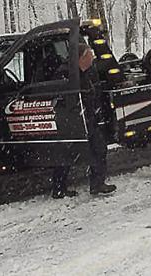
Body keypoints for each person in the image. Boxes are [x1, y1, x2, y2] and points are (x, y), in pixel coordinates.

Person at [51, 43, 116, 198]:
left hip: (87, 119)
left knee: (98, 149)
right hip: (72, 121)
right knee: (68, 153)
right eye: (90, 55)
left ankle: (97, 184)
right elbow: (63, 98)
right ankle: (59, 188)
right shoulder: (66, 73)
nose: (92, 58)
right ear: (82, 57)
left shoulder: (86, 72)